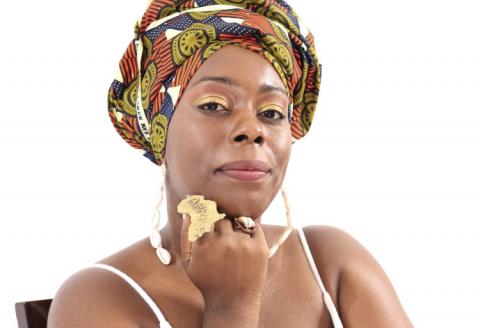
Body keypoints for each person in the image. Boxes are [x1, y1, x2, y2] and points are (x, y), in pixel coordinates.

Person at [48, 0, 413, 327]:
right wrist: (231, 306)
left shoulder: (331, 261)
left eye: (271, 112)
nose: (252, 131)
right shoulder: (98, 297)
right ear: (159, 132)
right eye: (213, 106)